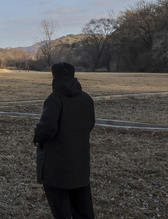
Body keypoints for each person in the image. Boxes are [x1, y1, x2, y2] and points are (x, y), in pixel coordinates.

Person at [33, 62, 96, 219]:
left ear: (54, 77)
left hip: (56, 170)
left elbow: (46, 128)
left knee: (61, 212)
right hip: (80, 166)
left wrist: (37, 137)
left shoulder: (54, 99)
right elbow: (90, 125)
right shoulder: (87, 99)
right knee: (83, 211)